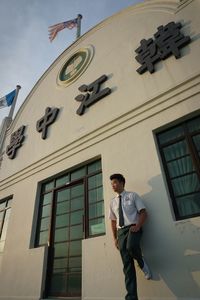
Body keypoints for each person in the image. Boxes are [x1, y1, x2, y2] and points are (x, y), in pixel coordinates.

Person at [108, 173, 152, 300]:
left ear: (122, 183)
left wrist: (138, 226)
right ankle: (131, 297)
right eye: (111, 184)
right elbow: (113, 221)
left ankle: (142, 262)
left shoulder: (132, 196)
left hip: (133, 228)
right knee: (127, 265)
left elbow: (143, 213)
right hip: (121, 232)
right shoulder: (112, 202)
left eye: (115, 182)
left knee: (131, 247)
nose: (113, 185)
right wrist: (115, 238)